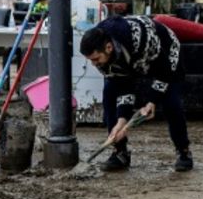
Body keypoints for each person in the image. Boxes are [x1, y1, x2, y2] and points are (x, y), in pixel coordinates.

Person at [80, 14, 192, 173]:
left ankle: (184, 151)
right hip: (131, 61)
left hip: (164, 55)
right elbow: (123, 87)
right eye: (91, 60)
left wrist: (152, 101)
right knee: (109, 94)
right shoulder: (102, 58)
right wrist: (121, 122)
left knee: (171, 101)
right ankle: (120, 152)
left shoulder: (141, 38)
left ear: (108, 47)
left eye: (96, 59)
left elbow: (165, 71)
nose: (94, 64)